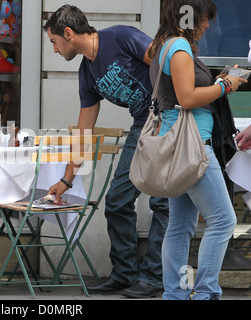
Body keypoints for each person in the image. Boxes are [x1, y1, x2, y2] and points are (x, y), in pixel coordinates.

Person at [44, 5, 169, 298]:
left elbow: (166, 65)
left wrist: (176, 113)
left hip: (170, 119)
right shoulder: (87, 72)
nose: (54, 50)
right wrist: (66, 180)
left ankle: (154, 277)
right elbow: (83, 130)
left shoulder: (121, 37)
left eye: (53, 41)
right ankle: (124, 274)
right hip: (142, 126)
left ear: (68, 33)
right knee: (117, 200)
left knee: (163, 203)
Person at [148, 0, 247, 300]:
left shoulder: (165, 45)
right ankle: (205, 293)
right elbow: (187, 98)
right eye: (204, 19)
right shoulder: (179, 48)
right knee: (224, 221)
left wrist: (216, 83)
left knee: (180, 225)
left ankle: (177, 295)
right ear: (188, 17)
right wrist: (225, 86)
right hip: (192, 148)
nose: (206, 25)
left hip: (179, 147)